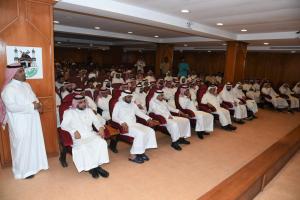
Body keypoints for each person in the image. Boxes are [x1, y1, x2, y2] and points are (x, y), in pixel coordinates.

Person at [0, 63, 48, 179]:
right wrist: (32, 107)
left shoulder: (26, 85)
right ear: (13, 74)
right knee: (22, 147)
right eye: (20, 71)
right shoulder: (8, 89)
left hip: (33, 120)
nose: (24, 73)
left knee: (34, 143)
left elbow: (34, 98)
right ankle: (22, 171)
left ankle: (35, 166)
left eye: (23, 70)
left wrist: (39, 105)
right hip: (19, 123)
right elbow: (12, 107)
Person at [61, 95, 109, 179]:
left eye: (84, 102)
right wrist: (73, 131)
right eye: (80, 103)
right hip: (79, 137)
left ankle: (96, 166)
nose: (83, 104)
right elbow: (63, 125)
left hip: (90, 134)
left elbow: (96, 121)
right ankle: (92, 168)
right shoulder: (69, 112)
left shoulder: (89, 111)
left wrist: (101, 128)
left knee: (101, 143)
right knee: (84, 148)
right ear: (75, 104)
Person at [112, 90, 158, 164]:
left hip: (134, 124)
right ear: (124, 97)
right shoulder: (118, 104)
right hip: (125, 126)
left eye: (131, 97)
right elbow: (114, 117)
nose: (130, 99)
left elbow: (138, 112)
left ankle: (141, 151)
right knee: (140, 134)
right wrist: (122, 123)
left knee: (150, 131)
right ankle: (132, 155)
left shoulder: (132, 104)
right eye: (128, 97)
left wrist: (148, 118)